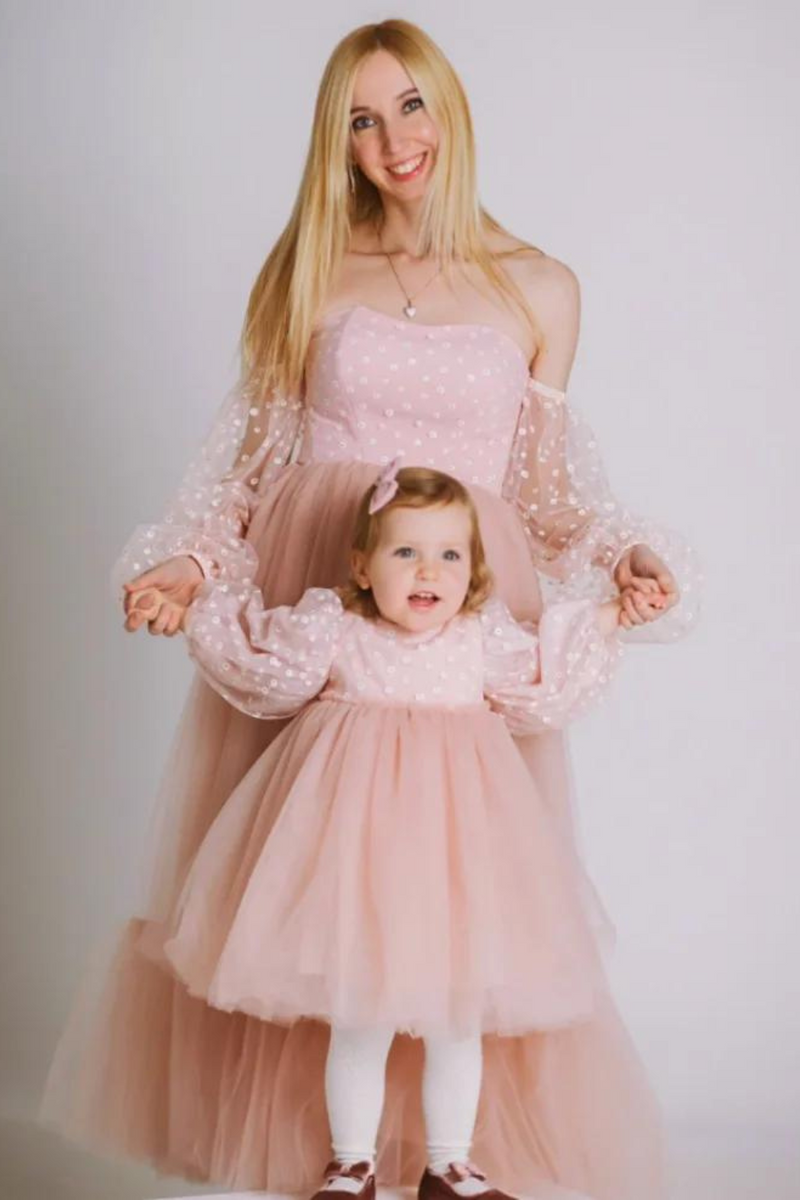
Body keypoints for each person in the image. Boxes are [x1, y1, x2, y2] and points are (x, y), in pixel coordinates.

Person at [38, 18, 701, 1200]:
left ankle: (446, 1156)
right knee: (311, 897)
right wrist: (186, 563)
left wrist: (626, 551)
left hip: (458, 606)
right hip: (323, 589)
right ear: (334, 141)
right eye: (360, 117)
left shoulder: (537, 284)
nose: (392, 139)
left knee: (450, 895)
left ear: (450, 108)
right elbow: (244, 467)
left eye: (409, 105)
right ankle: (331, 1156)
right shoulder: (307, 269)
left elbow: (549, 493)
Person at [156, 461, 630, 1200]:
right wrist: (188, 609)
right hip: (356, 859)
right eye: (405, 551)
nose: (427, 572)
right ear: (362, 566)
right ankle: (351, 1163)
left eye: (449, 555)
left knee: (458, 1016)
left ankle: (451, 1163)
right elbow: (260, 657)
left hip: (457, 861)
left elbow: (544, 668)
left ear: (473, 570)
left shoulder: (478, 639)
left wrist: (611, 615)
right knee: (360, 1013)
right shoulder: (336, 628)